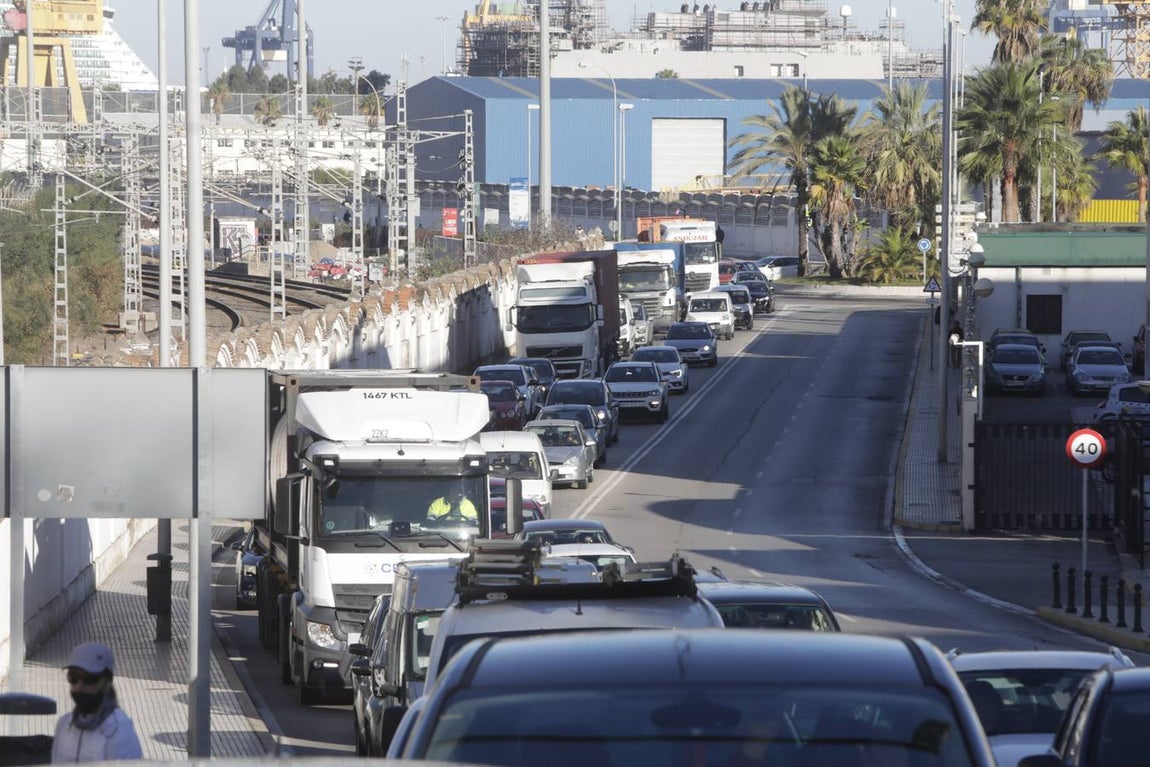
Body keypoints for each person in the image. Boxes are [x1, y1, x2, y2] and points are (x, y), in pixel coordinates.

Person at [52, 642, 142, 762]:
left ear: (106, 681)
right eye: (73, 677)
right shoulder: (64, 725)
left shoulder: (120, 731)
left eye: (89, 679)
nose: (79, 686)